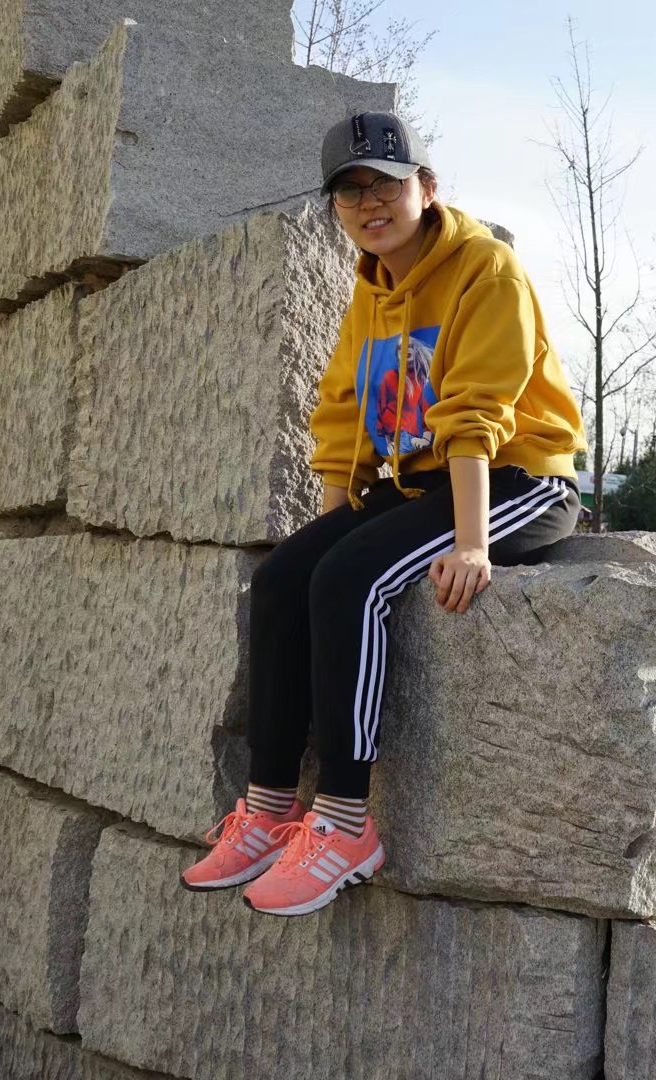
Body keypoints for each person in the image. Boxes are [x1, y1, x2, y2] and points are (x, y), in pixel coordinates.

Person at [180, 112, 586, 916]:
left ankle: (343, 824)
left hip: (517, 482)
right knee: (285, 578)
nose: (370, 204)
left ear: (426, 189)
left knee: (349, 582)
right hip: (419, 483)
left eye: (387, 185)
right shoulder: (371, 288)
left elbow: (476, 414)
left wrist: (472, 545)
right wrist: (330, 532)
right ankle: (269, 811)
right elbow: (343, 419)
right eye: (350, 191)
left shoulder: (487, 270)